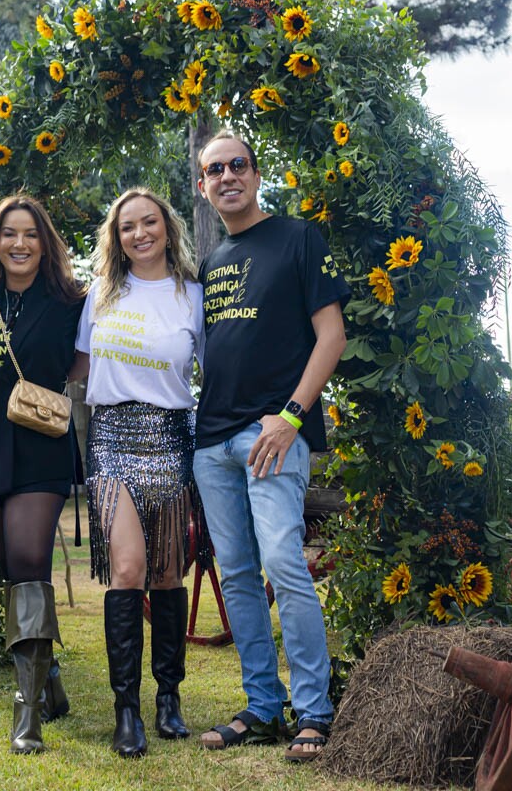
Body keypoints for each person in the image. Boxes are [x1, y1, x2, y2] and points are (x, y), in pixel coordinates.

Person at [191, 131, 349, 761]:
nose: (227, 176)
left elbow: (331, 335)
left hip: (271, 433)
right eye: (214, 170)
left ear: (256, 174)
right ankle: (261, 707)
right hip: (211, 440)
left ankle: (314, 710)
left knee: (283, 560)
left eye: (237, 165)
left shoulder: (298, 238)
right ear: (202, 188)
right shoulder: (212, 262)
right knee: (234, 576)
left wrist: (290, 416)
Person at [0, 195, 86, 754]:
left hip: (40, 448)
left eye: (30, 234)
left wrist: (54, 389)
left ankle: (25, 713)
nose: (20, 243)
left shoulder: (68, 301)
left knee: (30, 561)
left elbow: (85, 358)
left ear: (44, 241)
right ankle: (47, 677)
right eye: (9, 234)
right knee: (12, 572)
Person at [74, 188, 204, 758]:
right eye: (127, 226)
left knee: (169, 573)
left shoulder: (193, 297)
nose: (140, 233)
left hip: (172, 438)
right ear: (116, 236)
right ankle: (126, 710)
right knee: (128, 569)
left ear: (167, 228)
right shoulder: (99, 295)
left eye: (149, 222)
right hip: (111, 438)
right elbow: (75, 367)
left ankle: (168, 699)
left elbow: (220, 371)